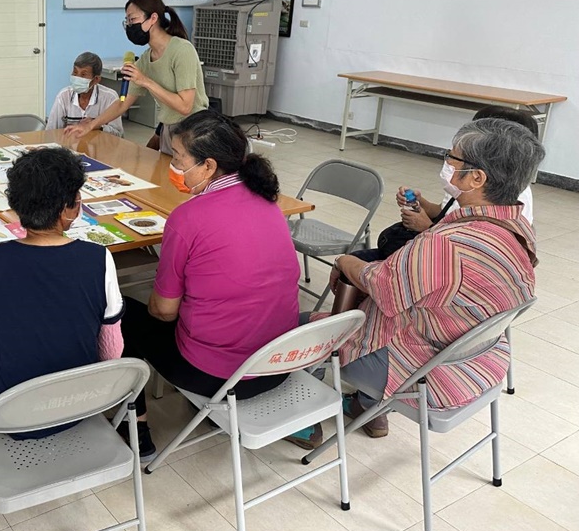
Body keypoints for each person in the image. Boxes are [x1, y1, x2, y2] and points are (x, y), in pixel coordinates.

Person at [294, 118, 544, 447]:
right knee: (389, 305)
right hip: (481, 360)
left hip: (429, 377)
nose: (447, 164)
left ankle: (302, 419)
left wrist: (346, 261)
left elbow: (382, 286)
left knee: (296, 326)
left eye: (452, 159)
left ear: (476, 178)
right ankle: (366, 405)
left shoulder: (447, 243)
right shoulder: (517, 231)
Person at [120, 111, 300, 461]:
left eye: (178, 158)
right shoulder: (268, 202)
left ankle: (136, 428)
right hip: (277, 364)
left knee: (122, 311)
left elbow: (162, 310)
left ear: (208, 166)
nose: (173, 165)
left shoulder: (188, 218)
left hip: (217, 377)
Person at [0, 148, 124, 435]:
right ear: (68, 209)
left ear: (16, 205)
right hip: (79, 406)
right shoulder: (99, 258)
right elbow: (112, 352)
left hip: (4, 414)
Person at [354, 106, 541, 264]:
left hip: (435, 259)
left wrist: (427, 229)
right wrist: (422, 203)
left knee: (352, 264)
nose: (449, 163)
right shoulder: (469, 187)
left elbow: (463, 255)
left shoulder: (504, 206)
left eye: (454, 156)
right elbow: (446, 213)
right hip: (430, 250)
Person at [64, 0, 208, 154]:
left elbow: (185, 106)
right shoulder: (146, 59)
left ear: (153, 19)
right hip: (169, 129)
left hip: (195, 131)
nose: (129, 26)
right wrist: (90, 125)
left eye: (133, 19)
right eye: (127, 21)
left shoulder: (182, 50)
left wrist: (145, 81)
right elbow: (122, 103)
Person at [47, 52, 124, 137]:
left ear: (96, 79)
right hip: (70, 146)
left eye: (83, 75)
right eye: (75, 72)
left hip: (99, 147)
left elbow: (118, 135)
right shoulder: (64, 96)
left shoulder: (110, 98)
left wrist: (98, 126)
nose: (77, 78)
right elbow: (50, 132)